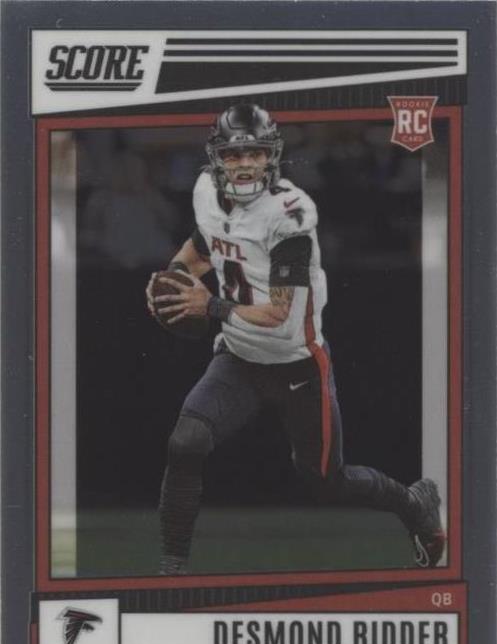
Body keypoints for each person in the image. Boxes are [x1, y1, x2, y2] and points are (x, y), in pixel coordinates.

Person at [146, 103, 445, 575]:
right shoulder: (206, 192)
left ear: (272, 156)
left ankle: (414, 503)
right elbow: (204, 244)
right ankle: (171, 569)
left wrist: (211, 306)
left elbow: (279, 313)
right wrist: (176, 275)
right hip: (239, 357)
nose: (246, 164)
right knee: (186, 443)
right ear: (216, 159)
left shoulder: (289, 213)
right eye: (234, 154)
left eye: (255, 153)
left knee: (326, 481)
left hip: (296, 363)